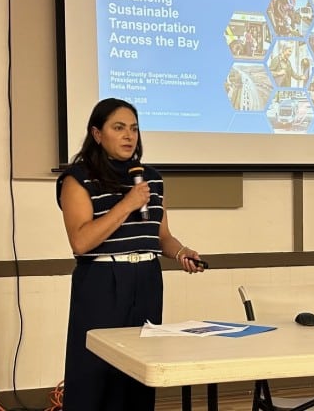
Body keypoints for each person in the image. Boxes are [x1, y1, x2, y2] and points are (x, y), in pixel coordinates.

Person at [56, 98, 205, 411]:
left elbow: (160, 236)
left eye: (134, 129)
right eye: (118, 128)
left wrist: (181, 253)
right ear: (97, 134)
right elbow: (80, 242)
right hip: (102, 281)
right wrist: (126, 203)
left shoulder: (150, 177)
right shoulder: (78, 178)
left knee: (139, 373)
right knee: (95, 372)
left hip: (147, 279)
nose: (129, 136)